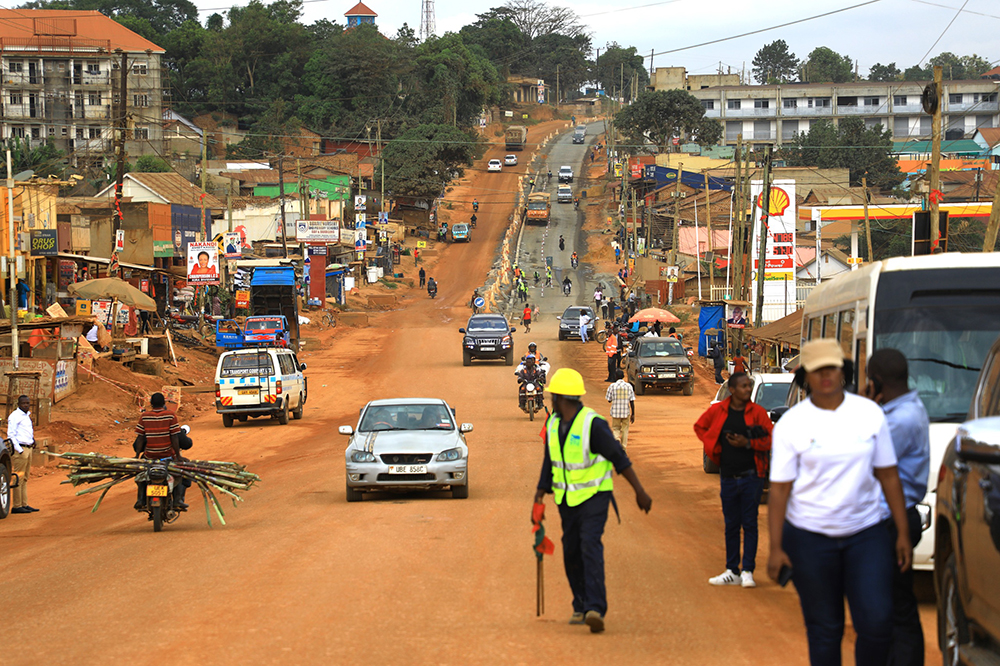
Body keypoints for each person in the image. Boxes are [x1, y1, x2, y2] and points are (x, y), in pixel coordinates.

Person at [767, 339, 911, 666]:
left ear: (843, 371)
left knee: (877, 622)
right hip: (809, 538)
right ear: (806, 376)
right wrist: (776, 548)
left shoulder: (869, 414)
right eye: (817, 370)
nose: (826, 376)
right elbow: (779, 491)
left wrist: (901, 532)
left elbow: (889, 476)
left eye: (832, 367)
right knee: (824, 629)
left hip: (866, 534)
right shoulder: (792, 424)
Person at [534, 368, 652, 633]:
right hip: (566, 499)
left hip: (595, 496)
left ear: (560, 397)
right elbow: (549, 461)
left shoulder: (593, 424)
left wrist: (639, 491)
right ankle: (581, 603)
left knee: (589, 544)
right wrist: (540, 493)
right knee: (571, 549)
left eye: (553, 395)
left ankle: (595, 607)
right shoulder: (553, 423)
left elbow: (618, 458)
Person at [864, 348, 930, 666]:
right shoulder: (902, 411)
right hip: (893, 517)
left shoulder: (900, 420)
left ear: (875, 382)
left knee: (896, 609)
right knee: (888, 607)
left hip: (893, 520)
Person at [694, 373, 773, 588]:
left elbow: (770, 438)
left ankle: (747, 570)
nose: (748, 390)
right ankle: (732, 570)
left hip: (752, 476)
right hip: (728, 476)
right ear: (733, 389)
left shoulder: (758, 413)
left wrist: (748, 443)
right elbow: (700, 427)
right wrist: (715, 450)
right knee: (731, 524)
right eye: (744, 386)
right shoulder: (719, 411)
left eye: (749, 386)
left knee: (750, 523)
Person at [133, 392, 184, 510]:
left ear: (151, 404)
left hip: (149, 456)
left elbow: (140, 437)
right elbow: (174, 437)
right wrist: (178, 456)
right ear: (164, 403)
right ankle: (177, 499)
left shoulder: (144, 416)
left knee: (140, 475)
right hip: (167, 456)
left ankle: (140, 499)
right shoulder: (170, 415)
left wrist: (137, 455)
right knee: (180, 473)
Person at [8, 395, 37, 514]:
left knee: (25, 478)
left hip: (28, 448)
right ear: (18, 404)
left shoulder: (26, 416)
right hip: (21, 449)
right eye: (23, 403)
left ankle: (24, 503)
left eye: (27, 403)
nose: (26, 405)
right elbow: (11, 434)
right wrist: (19, 450)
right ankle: (16, 505)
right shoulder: (15, 416)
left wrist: (32, 440)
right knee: (18, 478)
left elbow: (26, 431)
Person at [605, 369, 635, 449]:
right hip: (626, 412)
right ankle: (623, 447)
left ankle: (616, 439)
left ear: (615, 376)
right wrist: (633, 414)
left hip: (615, 412)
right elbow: (632, 401)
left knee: (616, 428)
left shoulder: (612, 386)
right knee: (625, 430)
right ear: (623, 377)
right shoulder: (629, 386)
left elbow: (609, 399)